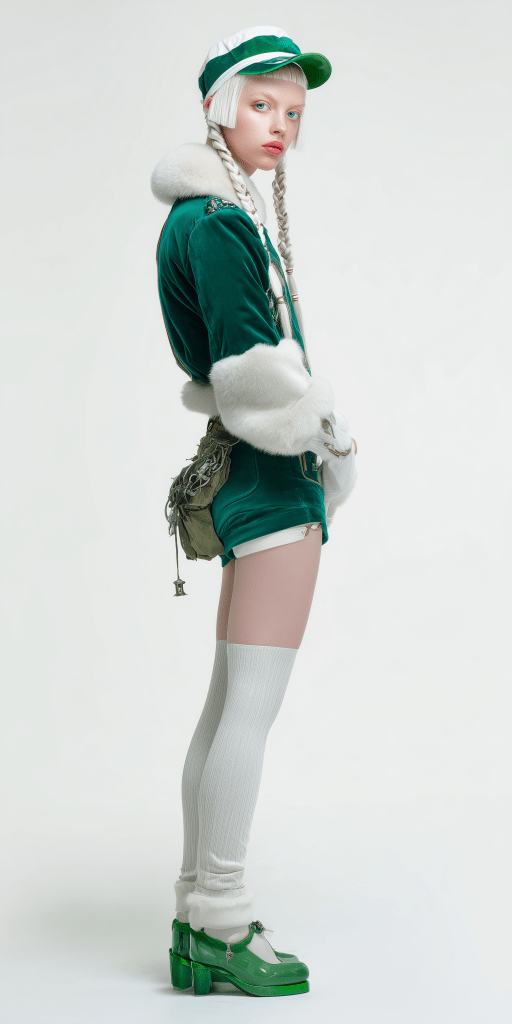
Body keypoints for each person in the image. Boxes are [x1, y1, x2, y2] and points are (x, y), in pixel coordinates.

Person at [151, 26, 357, 997]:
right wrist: (332, 439)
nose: (280, 126)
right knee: (251, 710)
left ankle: (198, 915)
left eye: (293, 113)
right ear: (219, 107)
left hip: (243, 473)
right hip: (272, 477)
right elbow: (251, 374)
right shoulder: (220, 224)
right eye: (263, 105)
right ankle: (223, 920)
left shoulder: (202, 216)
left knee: (226, 704)